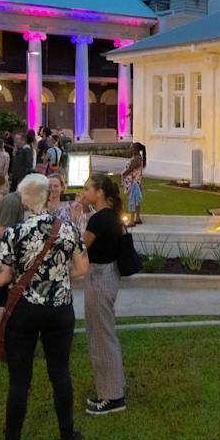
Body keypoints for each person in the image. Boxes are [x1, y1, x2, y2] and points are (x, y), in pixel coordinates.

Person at [0, 172, 89, 440]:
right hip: (59, 310)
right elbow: (82, 268)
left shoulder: (13, 233)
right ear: (48, 196)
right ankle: (66, 438)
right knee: (60, 373)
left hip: (24, 310)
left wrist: (9, 278)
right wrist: (58, 280)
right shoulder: (67, 229)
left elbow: (2, 278)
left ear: (24, 199)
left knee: (20, 379)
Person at [79, 172, 129, 416]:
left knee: (101, 336)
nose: (84, 192)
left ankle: (112, 396)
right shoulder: (110, 216)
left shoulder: (98, 220)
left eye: (88, 189)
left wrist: (75, 217)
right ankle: (111, 387)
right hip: (107, 276)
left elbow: (79, 248)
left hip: (100, 278)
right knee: (102, 333)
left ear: (100, 192)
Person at [121, 145, 146, 225]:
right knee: (136, 201)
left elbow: (130, 169)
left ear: (135, 150)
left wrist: (123, 174)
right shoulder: (137, 157)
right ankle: (137, 218)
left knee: (132, 200)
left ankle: (132, 220)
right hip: (135, 182)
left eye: (131, 148)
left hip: (133, 182)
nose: (130, 150)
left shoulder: (137, 158)